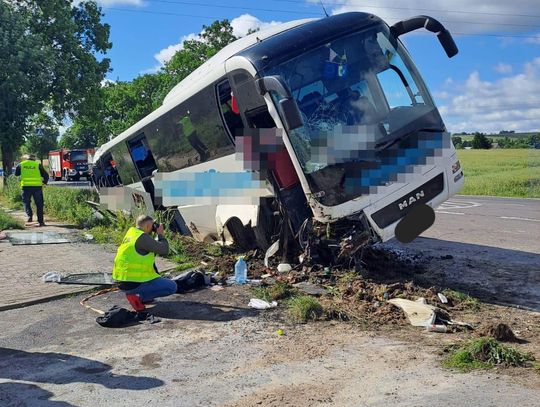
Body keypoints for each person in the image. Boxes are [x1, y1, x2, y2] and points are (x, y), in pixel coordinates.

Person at [112, 215, 177, 311]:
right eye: (152, 226)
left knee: (159, 279)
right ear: (147, 226)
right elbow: (164, 250)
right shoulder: (142, 237)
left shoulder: (131, 234)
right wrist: (160, 234)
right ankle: (140, 297)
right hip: (134, 283)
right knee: (172, 286)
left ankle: (140, 296)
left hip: (122, 282)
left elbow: (151, 246)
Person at [15, 154, 49, 226]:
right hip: (37, 187)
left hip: (26, 187)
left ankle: (29, 216)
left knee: (26, 202)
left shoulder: (21, 164)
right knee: (39, 204)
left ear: (26, 159)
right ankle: (40, 221)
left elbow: (16, 174)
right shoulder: (37, 165)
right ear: (34, 159)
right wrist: (44, 182)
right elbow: (46, 175)